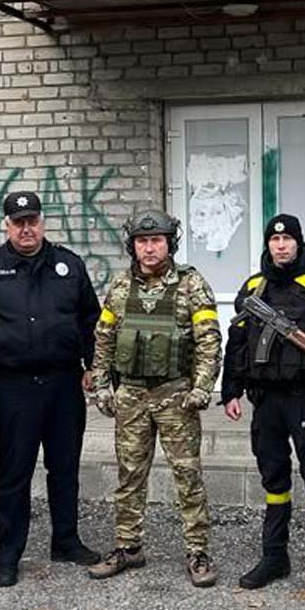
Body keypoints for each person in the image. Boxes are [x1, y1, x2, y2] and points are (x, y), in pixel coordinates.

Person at [0, 191, 102, 588]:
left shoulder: (69, 265)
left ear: (42, 222)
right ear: (6, 225)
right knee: (14, 470)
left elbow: (91, 320)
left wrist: (93, 366)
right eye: (18, 222)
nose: (26, 229)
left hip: (63, 383)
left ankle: (66, 541)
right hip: (14, 385)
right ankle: (8, 555)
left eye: (32, 221)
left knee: (65, 466)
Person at [221, 214, 305, 598]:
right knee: (273, 477)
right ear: (268, 244)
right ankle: (274, 556)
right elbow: (237, 343)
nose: (281, 246)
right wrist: (230, 390)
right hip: (265, 399)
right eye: (275, 240)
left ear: (299, 242)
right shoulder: (253, 288)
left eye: (287, 239)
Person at [86, 209, 222, 588]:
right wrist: (101, 385)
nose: (149, 248)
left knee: (187, 475)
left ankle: (198, 552)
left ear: (169, 244)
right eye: (142, 242)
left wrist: (202, 387)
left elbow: (209, 341)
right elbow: (104, 339)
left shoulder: (191, 285)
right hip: (130, 394)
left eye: (156, 241)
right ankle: (128, 547)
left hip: (175, 395)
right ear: (132, 246)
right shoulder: (120, 287)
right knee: (129, 475)